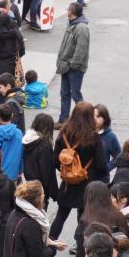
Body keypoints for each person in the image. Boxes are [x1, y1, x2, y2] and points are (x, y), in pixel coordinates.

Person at [50, 101, 109, 241]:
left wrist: (68, 172)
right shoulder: (93, 137)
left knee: (60, 216)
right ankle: (81, 247)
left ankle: (50, 244)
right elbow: (101, 164)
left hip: (68, 184)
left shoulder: (64, 133)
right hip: (87, 183)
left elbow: (56, 160)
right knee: (85, 220)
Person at [54, 2, 90, 123]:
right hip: (66, 66)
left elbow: (81, 49)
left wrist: (73, 65)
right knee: (64, 94)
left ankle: (85, 121)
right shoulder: (71, 24)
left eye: (68, 9)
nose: (66, 11)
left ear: (71, 12)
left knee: (76, 95)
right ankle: (63, 120)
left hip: (74, 68)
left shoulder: (81, 28)